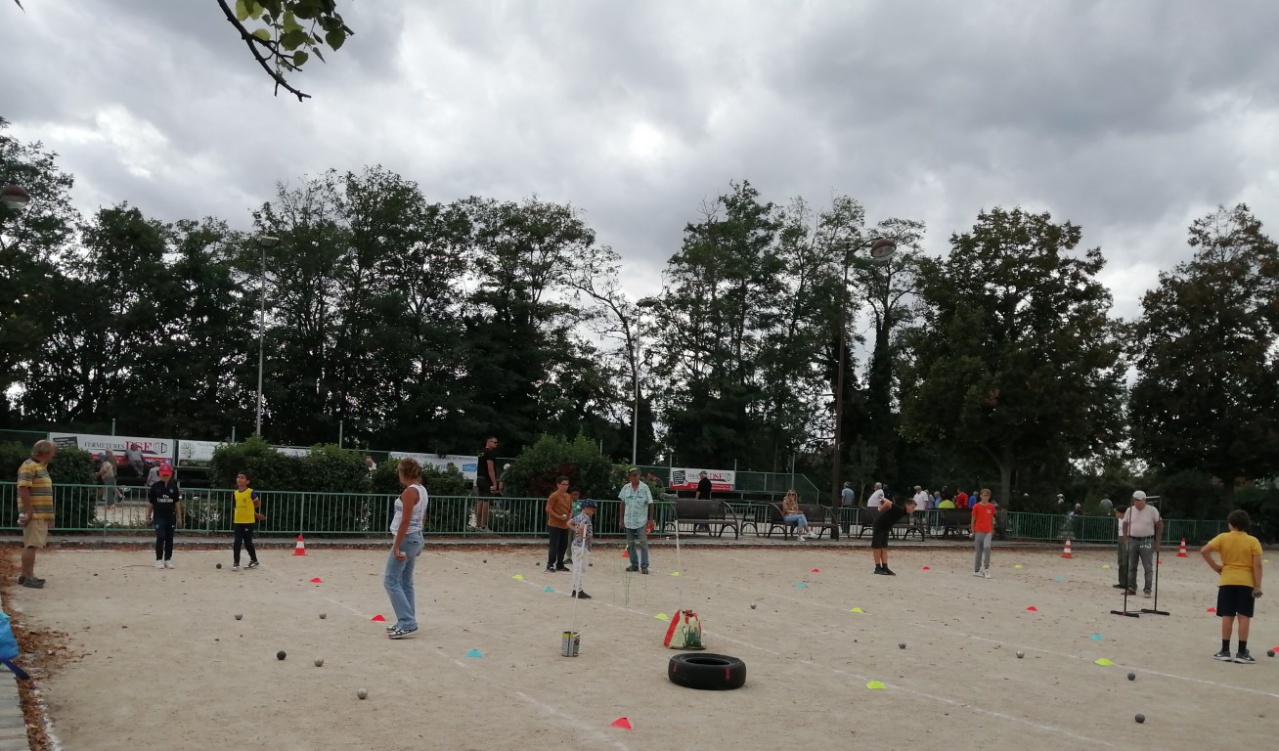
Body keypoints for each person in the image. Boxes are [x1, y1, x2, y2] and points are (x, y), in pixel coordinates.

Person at [1200, 510, 1263, 664]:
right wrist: (1257, 586)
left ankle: (1225, 650)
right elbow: (1258, 566)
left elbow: (1204, 551)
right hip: (1246, 582)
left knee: (1227, 615)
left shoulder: (1223, 538)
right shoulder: (1253, 541)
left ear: (1230, 524)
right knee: (1244, 616)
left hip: (1227, 580)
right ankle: (1242, 652)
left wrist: (1216, 567)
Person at [385, 458, 428, 640]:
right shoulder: (421, 489)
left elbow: (406, 520)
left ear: (403, 473)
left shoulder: (410, 492)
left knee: (390, 581)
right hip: (414, 537)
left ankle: (407, 621)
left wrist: (396, 546)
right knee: (405, 581)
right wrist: (419, 540)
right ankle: (406, 619)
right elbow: (422, 517)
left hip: (407, 538)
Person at [16, 440, 57, 589]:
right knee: (31, 545)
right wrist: (28, 510)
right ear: (45, 452)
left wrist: (49, 516)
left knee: (31, 544)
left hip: (40, 513)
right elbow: (23, 488)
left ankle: (25, 575)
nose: (53, 455)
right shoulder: (29, 466)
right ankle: (28, 576)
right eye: (52, 451)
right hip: (35, 513)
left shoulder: (40, 466)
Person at [1122, 490, 1162, 597]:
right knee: (1131, 565)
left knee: (1147, 566)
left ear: (1144, 500)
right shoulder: (1130, 510)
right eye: (1135, 500)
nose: (1137, 503)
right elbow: (1125, 524)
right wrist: (1125, 538)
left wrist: (1157, 541)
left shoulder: (1152, 510)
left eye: (1139, 500)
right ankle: (1131, 587)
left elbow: (1159, 524)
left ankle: (1147, 589)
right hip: (1133, 539)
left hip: (1147, 540)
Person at [618, 468, 654, 574]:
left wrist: (650, 519)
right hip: (628, 520)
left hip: (641, 521)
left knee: (643, 543)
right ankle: (634, 565)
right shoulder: (626, 488)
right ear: (629, 477)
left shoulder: (644, 487)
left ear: (639, 475)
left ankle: (644, 566)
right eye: (632, 475)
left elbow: (650, 503)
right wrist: (621, 519)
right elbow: (622, 503)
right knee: (630, 544)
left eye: (636, 475)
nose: (635, 477)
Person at [147, 464, 182, 569]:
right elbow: (151, 503)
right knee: (161, 537)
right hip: (159, 516)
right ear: (159, 475)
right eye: (163, 475)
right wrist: (148, 516)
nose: (165, 476)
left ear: (171, 474)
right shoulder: (155, 487)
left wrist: (179, 517)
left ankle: (167, 559)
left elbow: (177, 503)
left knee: (169, 539)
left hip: (171, 516)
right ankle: (158, 560)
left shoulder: (174, 487)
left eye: (167, 475)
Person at [871, 496, 916, 576]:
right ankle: (877, 568)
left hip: (886, 527)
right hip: (879, 525)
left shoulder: (904, 512)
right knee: (877, 547)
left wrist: (882, 498)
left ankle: (885, 567)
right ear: (907, 505)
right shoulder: (899, 509)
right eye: (912, 507)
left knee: (884, 547)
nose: (913, 509)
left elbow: (888, 502)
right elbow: (888, 503)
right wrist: (881, 508)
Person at [231, 472, 263, 571]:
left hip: (248, 521)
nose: (239, 479)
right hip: (238, 521)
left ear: (247, 481)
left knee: (248, 542)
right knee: (237, 542)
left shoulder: (250, 492)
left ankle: (254, 560)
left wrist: (254, 513)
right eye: (238, 477)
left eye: (242, 478)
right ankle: (236, 563)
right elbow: (236, 506)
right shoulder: (235, 493)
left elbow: (257, 504)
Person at [569, 500, 597, 599]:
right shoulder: (585, 518)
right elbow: (581, 527)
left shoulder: (579, 516)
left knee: (577, 567)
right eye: (592, 509)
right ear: (586, 508)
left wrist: (576, 531)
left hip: (576, 545)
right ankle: (578, 590)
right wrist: (582, 536)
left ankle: (575, 588)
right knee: (579, 568)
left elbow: (569, 523)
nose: (594, 511)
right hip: (581, 546)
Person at [544, 476, 572, 574]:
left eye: (567, 484)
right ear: (558, 485)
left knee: (563, 545)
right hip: (554, 524)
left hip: (565, 525)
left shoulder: (568, 496)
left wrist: (569, 516)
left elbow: (571, 508)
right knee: (554, 545)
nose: (565, 486)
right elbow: (548, 508)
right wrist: (558, 516)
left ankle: (560, 564)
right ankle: (550, 564)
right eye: (563, 484)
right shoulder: (554, 495)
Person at [475, 437, 500, 532]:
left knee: (480, 500)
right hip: (486, 480)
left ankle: (477, 525)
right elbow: (490, 469)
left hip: (479, 478)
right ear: (489, 442)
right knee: (486, 501)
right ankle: (483, 525)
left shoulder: (481, 452)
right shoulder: (490, 453)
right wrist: (494, 483)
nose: (496, 444)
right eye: (495, 442)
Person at [971, 488, 996, 578]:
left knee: (987, 547)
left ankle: (986, 568)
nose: (986, 497)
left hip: (988, 531)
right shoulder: (976, 506)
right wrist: (973, 530)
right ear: (981, 496)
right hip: (979, 530)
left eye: (988, 496)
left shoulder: (991, 507)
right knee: (979, 551)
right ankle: (977, 570)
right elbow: (973, 519)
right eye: (984, 495)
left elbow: (991, 519)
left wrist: (992, 529)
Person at [1112, 505, 1128, 589]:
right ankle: (1122, 582)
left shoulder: (1128, 519)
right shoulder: (1119, 520)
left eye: (1117, 513)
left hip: (1126, 538)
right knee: (1120, 560)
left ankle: (1128, 582)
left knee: (1125, 561)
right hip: (1120, 538)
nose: (1116, 515)